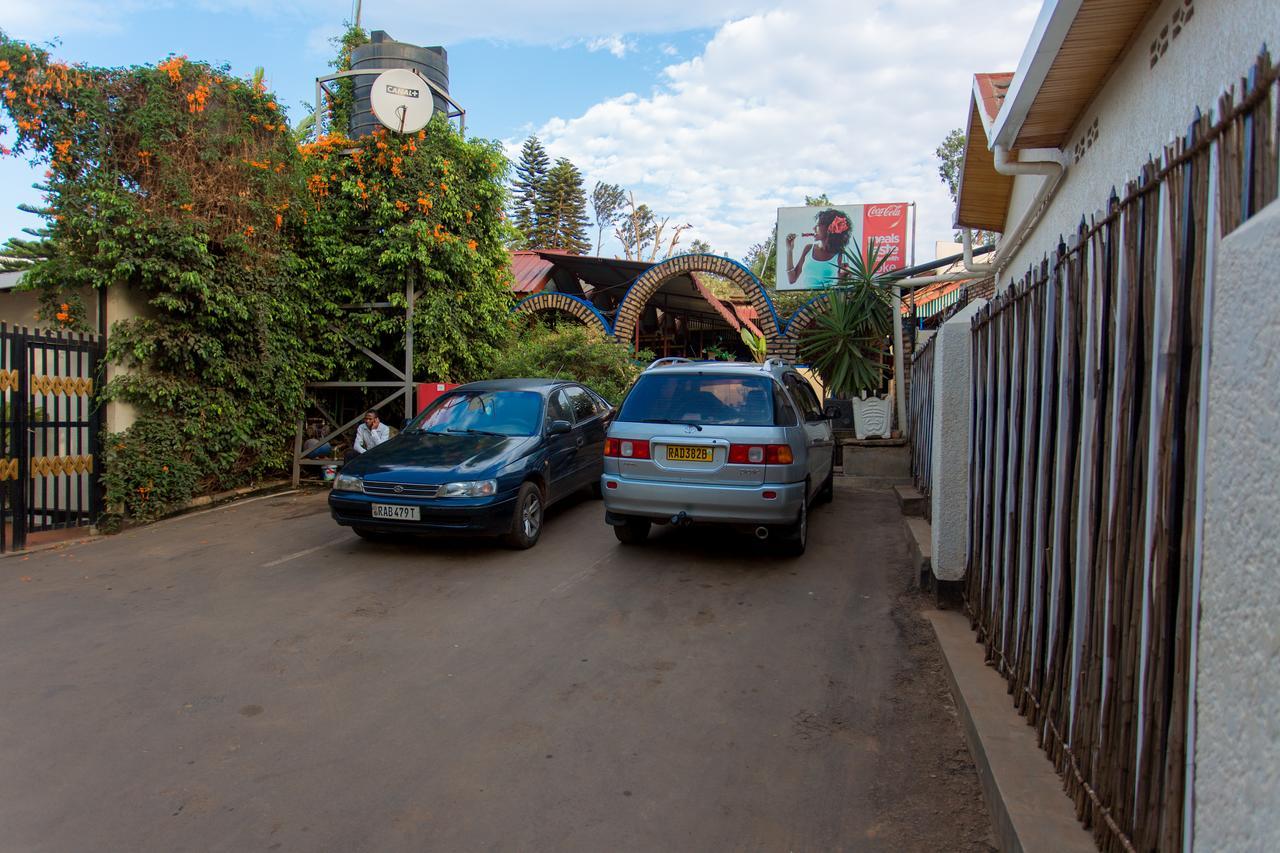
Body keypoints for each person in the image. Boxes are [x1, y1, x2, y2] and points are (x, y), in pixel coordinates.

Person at [786, 209, 853, 289]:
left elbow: (843, 284)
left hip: (826, 300)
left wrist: (847, 276)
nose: (813, 228)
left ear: (829, 228)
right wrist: (789, 250)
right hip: (807, 299)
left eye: (818, 225)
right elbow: (792, 279)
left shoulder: (841, 255)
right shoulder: (808, 248)